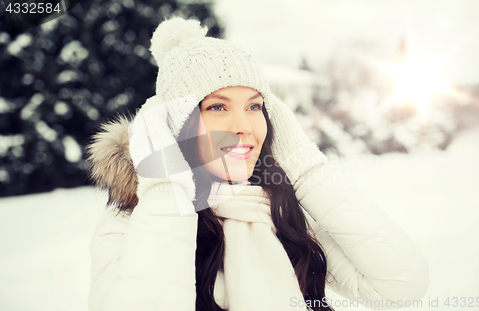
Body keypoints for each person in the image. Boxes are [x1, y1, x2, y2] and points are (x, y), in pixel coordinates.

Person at [85, 17, 429, 311]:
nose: (245, 127)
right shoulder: (130, 220)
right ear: (174, 126)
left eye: (254, 106)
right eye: (218, 107)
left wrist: (304, 167)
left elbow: (401, 286)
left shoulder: (278, 208)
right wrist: (166, 182)